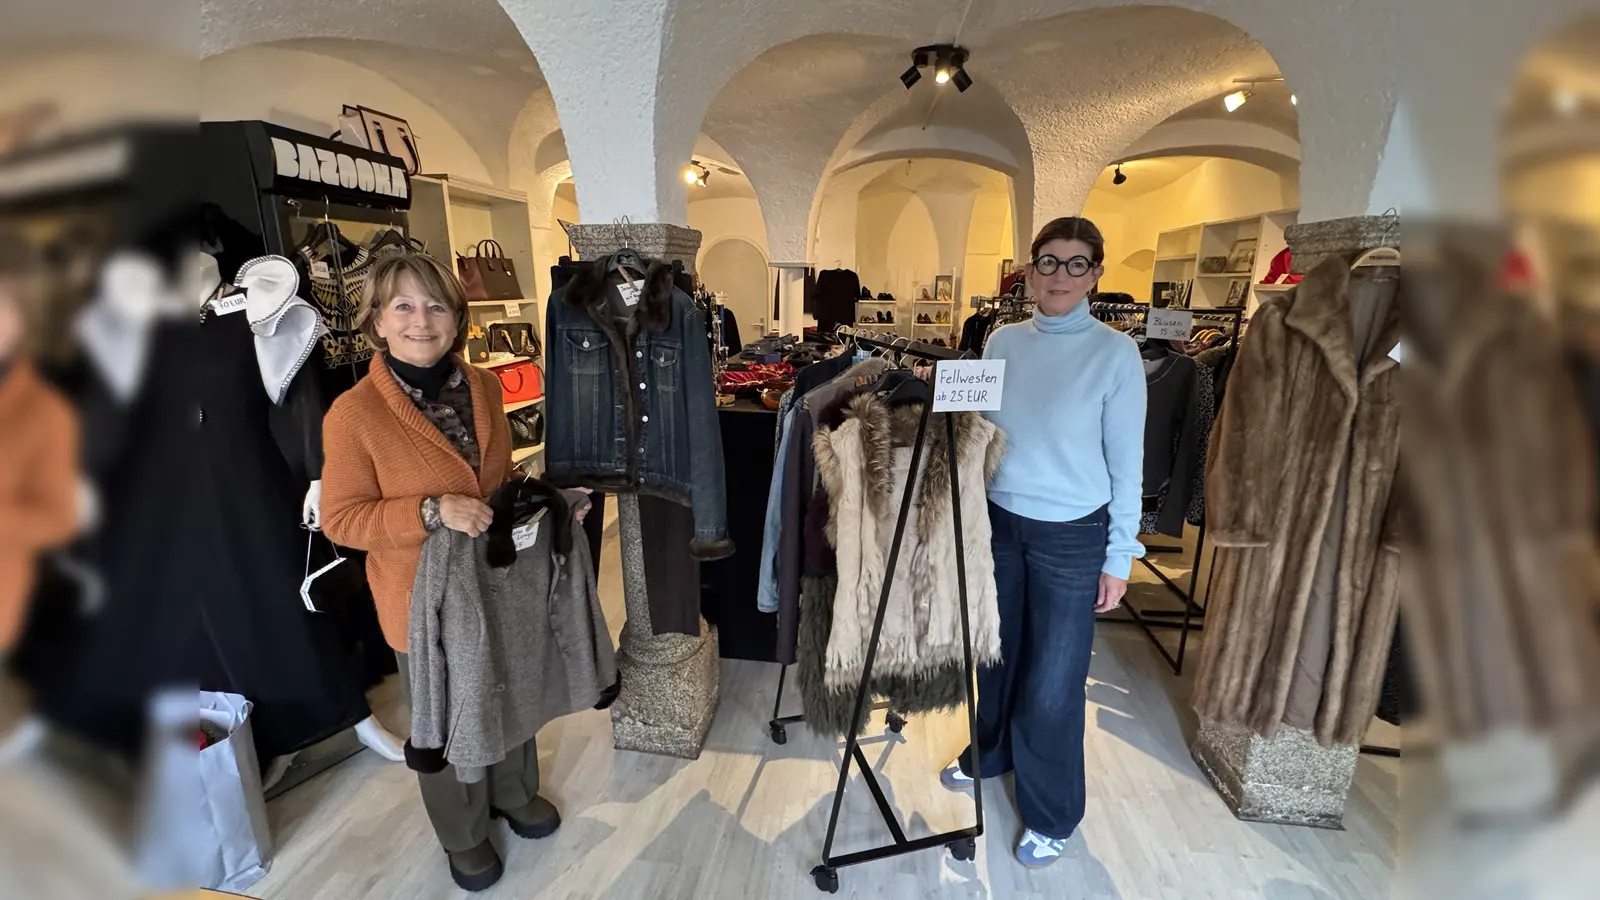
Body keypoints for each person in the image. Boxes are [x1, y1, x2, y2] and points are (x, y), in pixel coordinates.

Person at [320, 254, 579, 892]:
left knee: (510, 687)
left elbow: (492, 482)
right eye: (402, 306)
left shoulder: (485, 387)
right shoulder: (353, 415)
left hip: (496, 581)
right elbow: (344, 522)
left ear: (457, 316)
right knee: (445, 716)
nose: (420, 320)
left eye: (436, 305)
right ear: (376, 321)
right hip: (421, 599)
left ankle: (513, 792)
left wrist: (542, 496)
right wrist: (430, 512)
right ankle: (462, 831)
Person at [940, 216, 1146, 868]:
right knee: (995, 658)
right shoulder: (1002, 340)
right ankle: (991, 751)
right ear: (1028, 270)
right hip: (1002, 522)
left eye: (1076, 263)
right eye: (1048, 262)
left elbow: (1128, 464)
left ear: (1096, 275)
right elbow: (989, 432)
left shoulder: (1117, 353)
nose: (1060, 276)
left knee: (1054, 681)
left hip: (1072, 534)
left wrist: (1120, 555)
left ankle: (1053, 810)